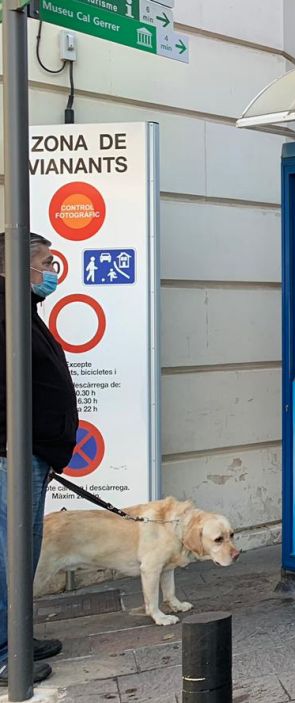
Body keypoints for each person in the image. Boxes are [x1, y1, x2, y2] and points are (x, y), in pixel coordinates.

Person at [0, 233, 74, 684]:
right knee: (10, 552)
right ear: (19, 265)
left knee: (23, 550)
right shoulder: (6, 315)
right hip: (15, 453)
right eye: (46, 262)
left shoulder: (23, 311)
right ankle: (6, 650)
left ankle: (17, 634)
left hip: (32, 452)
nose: (52, 270)